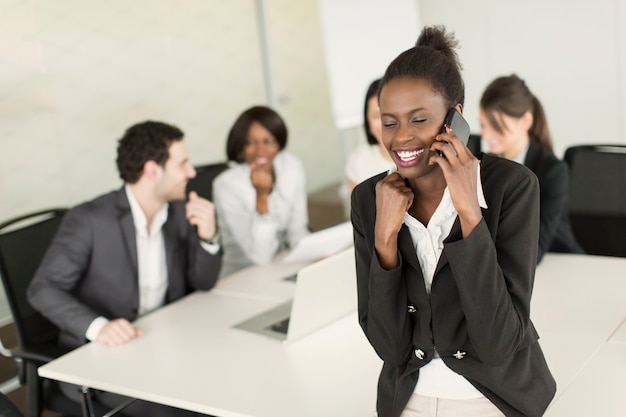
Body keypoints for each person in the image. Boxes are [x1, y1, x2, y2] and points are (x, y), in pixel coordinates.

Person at [350, 26, 556, 417]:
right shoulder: (369, 199)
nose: (401, 139)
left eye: (419, 119)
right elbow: (390, 347)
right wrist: (384, 240)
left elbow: (498, 343)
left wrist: (469, 214)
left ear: (453, 119)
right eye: (389, 122)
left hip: (494, 396)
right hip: (408, 399)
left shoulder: (511, 187)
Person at [28, 121, 222, 417]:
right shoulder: (90, 220)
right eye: (182, 163)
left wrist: (209, 237)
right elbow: (42, 289)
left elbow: (203, 282)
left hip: (163, 341)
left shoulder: (179, 212)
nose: (192, 172)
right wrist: (99, 327)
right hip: (108, 358)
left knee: (224, 381)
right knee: (194, 407)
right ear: (152, 171)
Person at [479, 74, 584, 262]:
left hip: (561, 261)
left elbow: (536, 248)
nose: (486, 135)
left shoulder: (553, 171)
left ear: (525, 121)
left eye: (496, 126)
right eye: (483, 125)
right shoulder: (487, 167)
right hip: (511, 264)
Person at [213, 105, 309, 277]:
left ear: (279, 143)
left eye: (268, 141)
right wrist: (262, 197)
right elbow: (260, 256)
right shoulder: (226, 185)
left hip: (282, 265)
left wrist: (315, 252)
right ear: (240, 145)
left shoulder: (291, 166)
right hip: (242, 276)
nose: (260, 151)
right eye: (250, 143)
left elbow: (297, 232)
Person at [345, 78, 396, 191]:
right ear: (367, 120)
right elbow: (356, 207)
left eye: (389, 114)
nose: (384, 123)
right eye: (376, 116)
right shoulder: (358, 160)